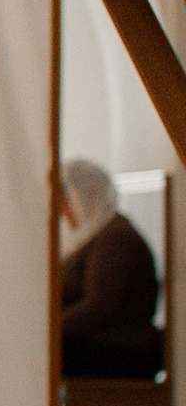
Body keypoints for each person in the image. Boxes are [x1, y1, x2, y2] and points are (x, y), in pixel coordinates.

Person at [62, 160, 161, 378]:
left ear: (85, 197)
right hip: (98, 343)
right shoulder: (93, 236)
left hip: (119, 349)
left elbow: (98, 306)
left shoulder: (115, 238)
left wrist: (47, 331)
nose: (63, 213)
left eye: (67, 202)